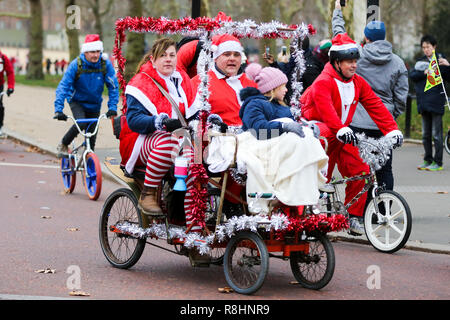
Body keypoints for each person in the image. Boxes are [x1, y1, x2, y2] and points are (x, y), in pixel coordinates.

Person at [300, 32, 404, 236]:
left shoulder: (357, 82)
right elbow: (325, 109)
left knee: (361, 170)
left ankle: (353, 216)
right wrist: (339, 129)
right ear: (337, 62)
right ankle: (310, 217)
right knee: (320, 176)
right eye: (349, 61)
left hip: (343, 131)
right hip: (320, 130)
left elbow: (376, 106)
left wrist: (392, 130)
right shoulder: (323, 81)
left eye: (355, 61)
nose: (354, 65)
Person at [120, 37, 202, 234]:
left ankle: (193, 226)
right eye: (163, 55)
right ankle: (148, 193)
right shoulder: (140, 82)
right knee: (169, 140)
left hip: (179, 142)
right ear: (153, 59)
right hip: (143, 141)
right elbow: (134, 120)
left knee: (197, 164)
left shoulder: (182, 81)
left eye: (172, 55)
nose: (168, 59)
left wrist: (206, 120)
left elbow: (194, 114)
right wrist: (161, 122)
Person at [332, 0, 409, 191]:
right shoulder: (398, 63)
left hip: (358, 120)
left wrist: (337, 12)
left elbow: (339, 36)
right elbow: (401, 96)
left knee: (361, 168)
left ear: (366, 38)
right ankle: (384, 208)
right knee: (385, 169)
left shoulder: (356, 55)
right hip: (384, 122)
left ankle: (364, 208)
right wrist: (392, 116)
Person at [236, 63, 327, 212]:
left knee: (306, 137)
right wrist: (283, 127)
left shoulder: (282, 107)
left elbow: (295, 125)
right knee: (294, 138)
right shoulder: (254, 105)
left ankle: (308, 182)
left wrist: (307, 126)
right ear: (272, 87)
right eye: (283, 86)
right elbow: (258, 131)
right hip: (261, 146)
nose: (286, 89)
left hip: (279, 147)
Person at [54, 34, 119, 157]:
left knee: (92, 136)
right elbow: (63, 86)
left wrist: (112, 107)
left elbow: (113, 86)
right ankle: (63, 143)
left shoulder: (105, 65)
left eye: (98, 52)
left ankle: (89, 161)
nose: (95, 55)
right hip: (77, 101)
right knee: (81, 122)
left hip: (95, 103)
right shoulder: (76, 65)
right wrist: (58, 110)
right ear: (85, 52)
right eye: (92, 52)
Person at [191, 34, 257, 127]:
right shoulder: (200, 82)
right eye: (227, 54)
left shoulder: (250, 82)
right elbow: (193, 120)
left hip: (255, 136)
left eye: (236, 55)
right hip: (221, 137)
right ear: (216, 58)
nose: (232, 58)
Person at [410, 35, 450, 171]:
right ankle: (427, 160)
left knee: (437, 135)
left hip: (437, 102)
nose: (426, 50)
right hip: (423, 102)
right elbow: (413, 76)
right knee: (425, 135)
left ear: (434, 47)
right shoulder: (420, 62)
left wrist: (448, 66)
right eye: (424, 47)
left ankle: (438, 162)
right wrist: (424, 73)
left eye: (428, 47)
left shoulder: (440, 61)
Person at [263, 36, 324, 104]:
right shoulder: (294, 60)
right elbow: (285, 72)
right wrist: (274, 64)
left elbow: (314, 91)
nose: (290, 47)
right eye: (290, 44)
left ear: (300, 47)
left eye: (293, 45)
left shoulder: (310, 67)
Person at [0, 49, 15, 138]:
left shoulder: (3, 58)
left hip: (0, 85)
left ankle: (0, 126)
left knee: (0, 107)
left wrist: (10, 87)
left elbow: (10, 72)